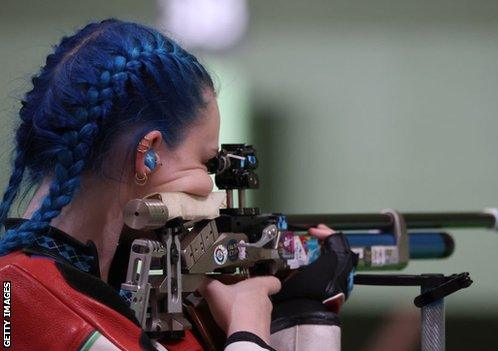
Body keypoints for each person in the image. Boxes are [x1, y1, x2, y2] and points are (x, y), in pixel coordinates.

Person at [0, 19, 357, 351]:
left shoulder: (125, 297)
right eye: (206, 162)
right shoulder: (21, 296)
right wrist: (248, 326)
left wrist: (302, 315)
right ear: (147, 155)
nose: (208, 187)